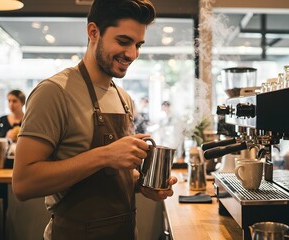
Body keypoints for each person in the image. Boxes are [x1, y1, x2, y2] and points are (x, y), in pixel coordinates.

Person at [12, 1, 177, 239]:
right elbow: (24, 184)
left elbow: (112, 176)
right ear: (93, 32)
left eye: (138, 45)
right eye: (123, 41)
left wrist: (145, 185)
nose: (132, 54)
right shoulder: (54, 92)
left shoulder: (123, 98)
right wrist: (105, 155)